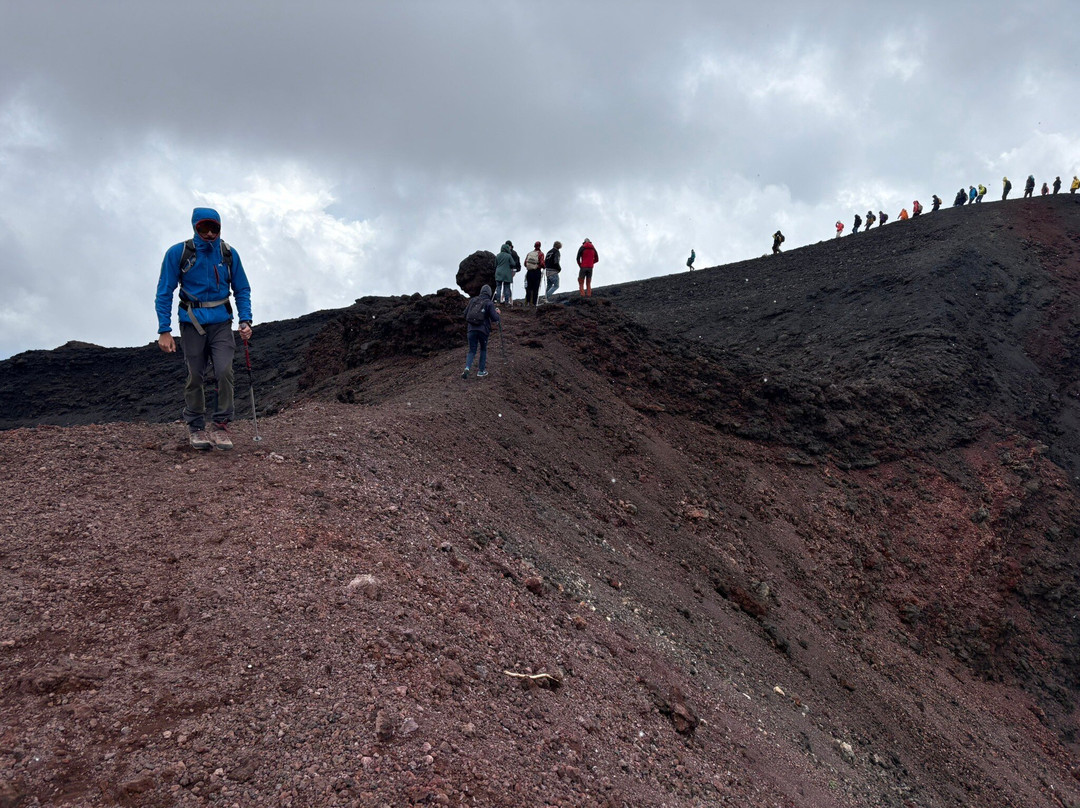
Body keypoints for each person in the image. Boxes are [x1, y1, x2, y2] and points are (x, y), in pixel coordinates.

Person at [155, 207, 253, 451]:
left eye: (214, 228)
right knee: (196, 374)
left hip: (221, 322)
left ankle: (221, 426)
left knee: (224, 371)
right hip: (192, 323)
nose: (209, 233)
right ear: (194, 227)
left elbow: (242, 289)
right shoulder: (179, 253)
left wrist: (246, 320)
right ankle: (196, 427)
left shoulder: (229, 254)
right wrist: (164, 330)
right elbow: (164, 291)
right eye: (203, 228)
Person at [462, 284, 500, 379]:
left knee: (471, 350)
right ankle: (481, 371)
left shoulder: (473, 300)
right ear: (490, 293)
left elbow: (465, 314)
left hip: (471, 330)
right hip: (483, 331)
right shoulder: (489, 303)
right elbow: (495, 318)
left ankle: (467, 368)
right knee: (483, 349)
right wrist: (497, 313)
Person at [494, 240, 517, 305]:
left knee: (498, 287)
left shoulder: (498, 255)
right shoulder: (509, 256)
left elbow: (495, 264)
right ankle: (506, 302)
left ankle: (498, 301)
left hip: (498, 273)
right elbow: (513, 263)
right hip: (507, 274)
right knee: (506, 287)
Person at [523, 241, 544, 306]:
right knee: (536, 288)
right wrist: (544, 267)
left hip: (529, 272)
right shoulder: (541, 254)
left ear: (534, 246)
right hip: (537, 272)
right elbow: (542, 263)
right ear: (540, 246)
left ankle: (528, 302)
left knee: (529, 288)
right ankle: (534, 303)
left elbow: (525, 263)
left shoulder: (529, 253)